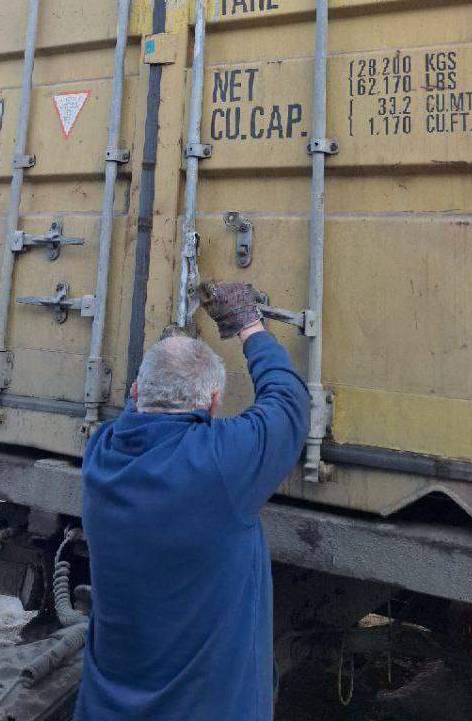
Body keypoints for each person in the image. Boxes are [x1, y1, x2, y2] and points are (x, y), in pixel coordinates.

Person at [73, 280, 311, 721]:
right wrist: (250, 326)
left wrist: (168, 355)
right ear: (214, 403)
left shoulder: (102, 455)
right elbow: (288, 401)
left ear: (135, 394)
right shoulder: (221, 464)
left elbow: (137, 410)